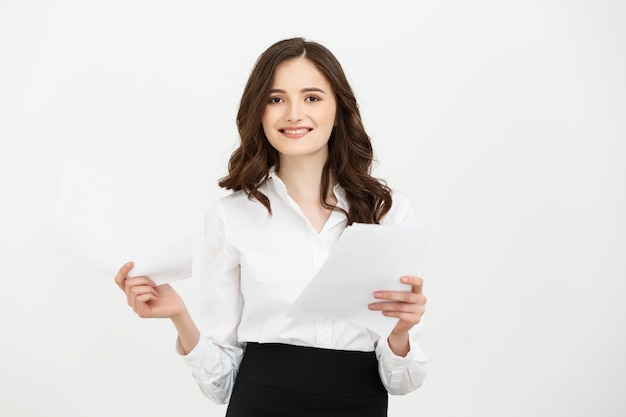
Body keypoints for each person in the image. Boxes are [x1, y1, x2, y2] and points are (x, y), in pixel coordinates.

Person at [114, 37, 428, 417]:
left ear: (338, 109)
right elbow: (221, 385)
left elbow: (403, 381)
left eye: (312, 97)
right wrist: (180, 315)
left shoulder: (388, 213)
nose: (294, 113)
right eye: (276, 99)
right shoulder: (231, 217)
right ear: (258, 112)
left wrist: (400, 333)